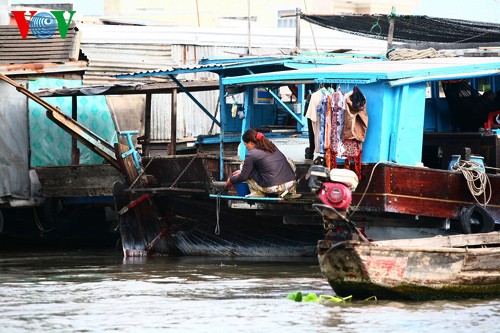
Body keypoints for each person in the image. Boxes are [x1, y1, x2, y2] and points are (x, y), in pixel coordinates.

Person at [225, 129, 297, 197]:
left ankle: (257, 193)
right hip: (290, 184)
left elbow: (244, 176)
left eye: (245, 144)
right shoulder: (272, 147)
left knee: (244, 165)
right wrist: (242, 172)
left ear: (250, 142)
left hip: (273, 188)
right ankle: (292, 191)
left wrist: (231, 180)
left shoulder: (251, 154)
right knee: (288, 161)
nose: (246, 147)